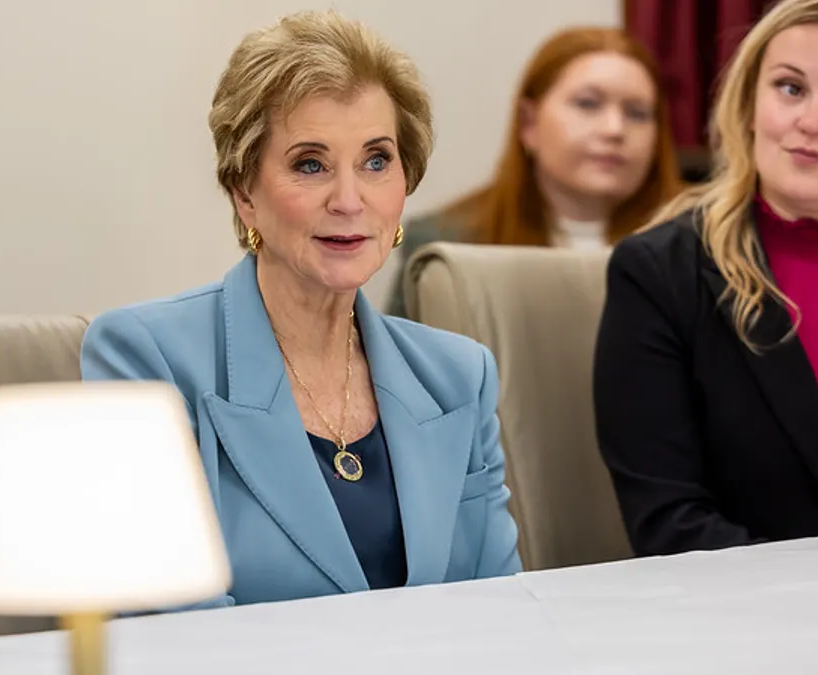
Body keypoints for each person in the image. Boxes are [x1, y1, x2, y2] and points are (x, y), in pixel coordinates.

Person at [81, 10, 520, 609]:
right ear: (244, 194)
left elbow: (502, 613)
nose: (349, 200)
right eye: (310, 164)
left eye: (376, 160)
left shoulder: (458, 378)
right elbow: (170, 631)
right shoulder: (145, 358)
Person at [594, 0, 818, 557]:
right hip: (779, 613)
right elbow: (669, 524)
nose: (813, 122)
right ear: (750, 103)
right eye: (790, 88)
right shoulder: (660, 275)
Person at [386, 27, 682, 318]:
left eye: (637, 113)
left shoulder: (699, 244)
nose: (614, 129)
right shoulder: (444, 241)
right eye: (588, 104)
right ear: (529, 124)